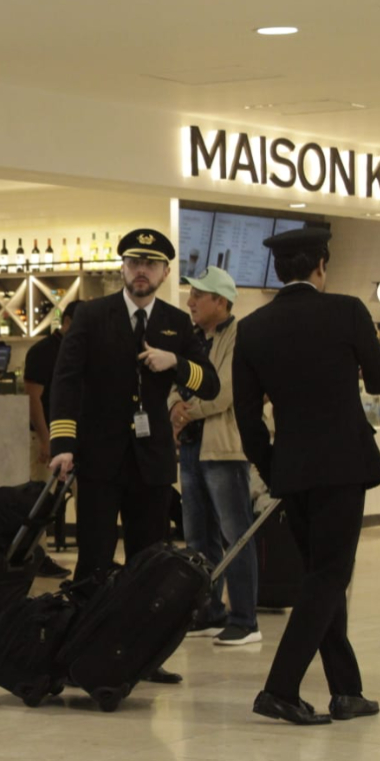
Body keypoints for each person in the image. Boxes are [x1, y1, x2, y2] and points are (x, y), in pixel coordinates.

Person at [234, 227, 380, 725]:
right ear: (321, 266)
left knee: (319, 576)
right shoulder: (347, 310)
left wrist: (271, 467)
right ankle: (279, 688)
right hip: (343, 466)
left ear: (280, 272)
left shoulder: (253, 326)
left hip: (292, 469)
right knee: (329, 576)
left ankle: (347, 690)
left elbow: (246, 415)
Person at [48, 228, 220, 685]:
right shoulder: (91, 315)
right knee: (94, 559)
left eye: (151, 264)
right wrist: (63, 444)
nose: (140, 271)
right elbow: (65, 381)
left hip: (152, 463)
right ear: (122, 268)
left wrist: (176, 364)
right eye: (133, 262)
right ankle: (79, 650)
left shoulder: (176, 324)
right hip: (100, 459)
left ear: (165, 273)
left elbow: (211, 384)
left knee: (149, 565)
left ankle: (142, 656)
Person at [170, 267, 261, 647]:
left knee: (234, 534)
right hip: (191, 447)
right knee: (197, 537)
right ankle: (208, 611)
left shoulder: (240, 336)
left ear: (220, 302)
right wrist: (174, 407)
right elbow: (173, 383)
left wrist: (184, 411)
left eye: (199, 295)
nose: (190, 302)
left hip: (224, 449)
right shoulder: (191, 340)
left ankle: (245, 619)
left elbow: (225, 392)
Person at [23, 300, 78, 579]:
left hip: (80, 438)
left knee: (91, 498)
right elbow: (33, 399)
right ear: (66, 322)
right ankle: (36, 557)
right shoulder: (42, 352)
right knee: (40, 500)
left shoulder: (82, 349)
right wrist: (46, 440)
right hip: (45, 437)